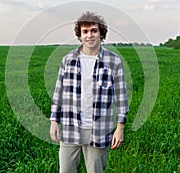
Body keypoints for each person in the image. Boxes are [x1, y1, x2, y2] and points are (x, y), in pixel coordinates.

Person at [49, 11, 129, 173]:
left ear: (101, 34)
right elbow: (59, 92)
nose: (89, 35)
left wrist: (120, 128)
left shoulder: (113, 61)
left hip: (99, 129)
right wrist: (53, 121)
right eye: (85, 31)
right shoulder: (68, 59)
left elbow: (121, 96)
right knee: (65, 170)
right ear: (80, 35)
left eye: (94, 30)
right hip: (70, 126)